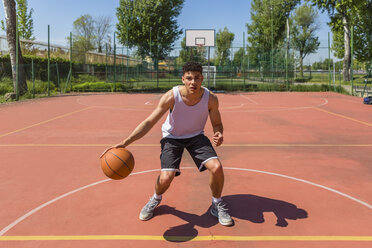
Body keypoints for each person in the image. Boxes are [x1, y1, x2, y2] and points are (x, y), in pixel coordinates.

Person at [101, 61, 232, 226]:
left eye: (197, 78)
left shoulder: (210, 98)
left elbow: (217, 123)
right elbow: (149, 122)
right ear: (183, 79)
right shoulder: (172, 96)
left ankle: (216, 203)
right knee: (166, 178)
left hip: (196, 136)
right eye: (189, 78)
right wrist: (125, 143)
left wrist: (219, 133)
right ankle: (155, 198)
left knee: (217, 167)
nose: (193, 82)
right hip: (172, 137)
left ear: (202, 79)